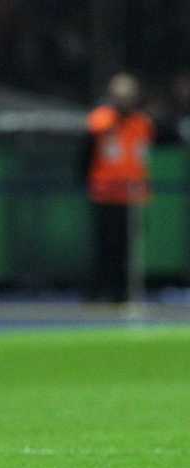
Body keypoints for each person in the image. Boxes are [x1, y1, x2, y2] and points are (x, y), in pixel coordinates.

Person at [85, 73, 154, 303]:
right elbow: (86, 154)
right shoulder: (100, 121)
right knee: (104, 245)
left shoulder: (142, 122)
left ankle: (122, 293)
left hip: (131, 195)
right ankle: (98, 292)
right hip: (105, 193)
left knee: (128, 248)